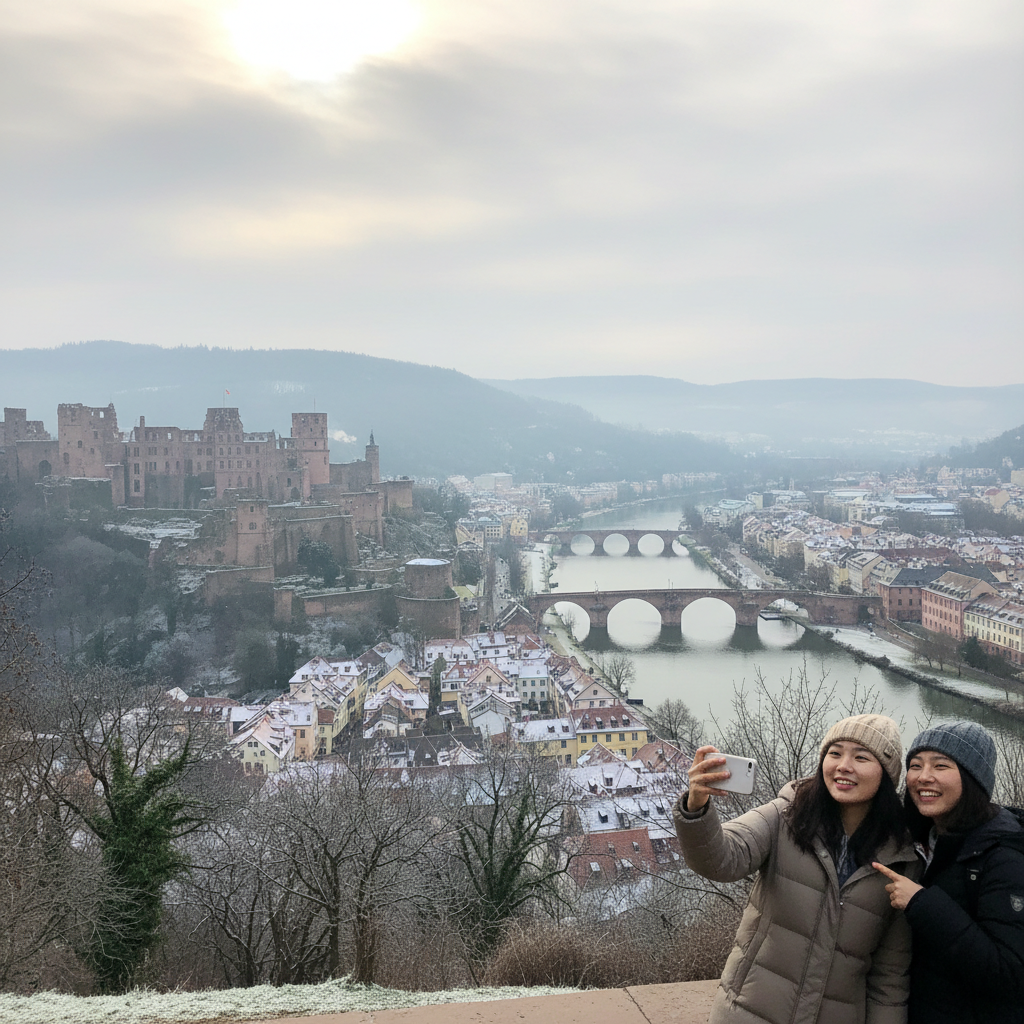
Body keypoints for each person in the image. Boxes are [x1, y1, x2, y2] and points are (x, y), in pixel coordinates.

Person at [674, 714, 917, 1024]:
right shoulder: (786, 815)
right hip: (748, 1012)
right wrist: (696, 807)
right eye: (834, 753)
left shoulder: (901, 858)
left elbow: (889, 978)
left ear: (886, 773)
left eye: (861, 757)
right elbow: (720, 859)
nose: (843, 765)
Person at [871, 722, 1024, 1024]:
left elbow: (1009, 973)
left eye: (941, 766)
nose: (923, 776)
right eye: (915, 765)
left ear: (973, 779)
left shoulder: (1003, 856)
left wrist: (922, 905)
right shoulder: (923, 838)